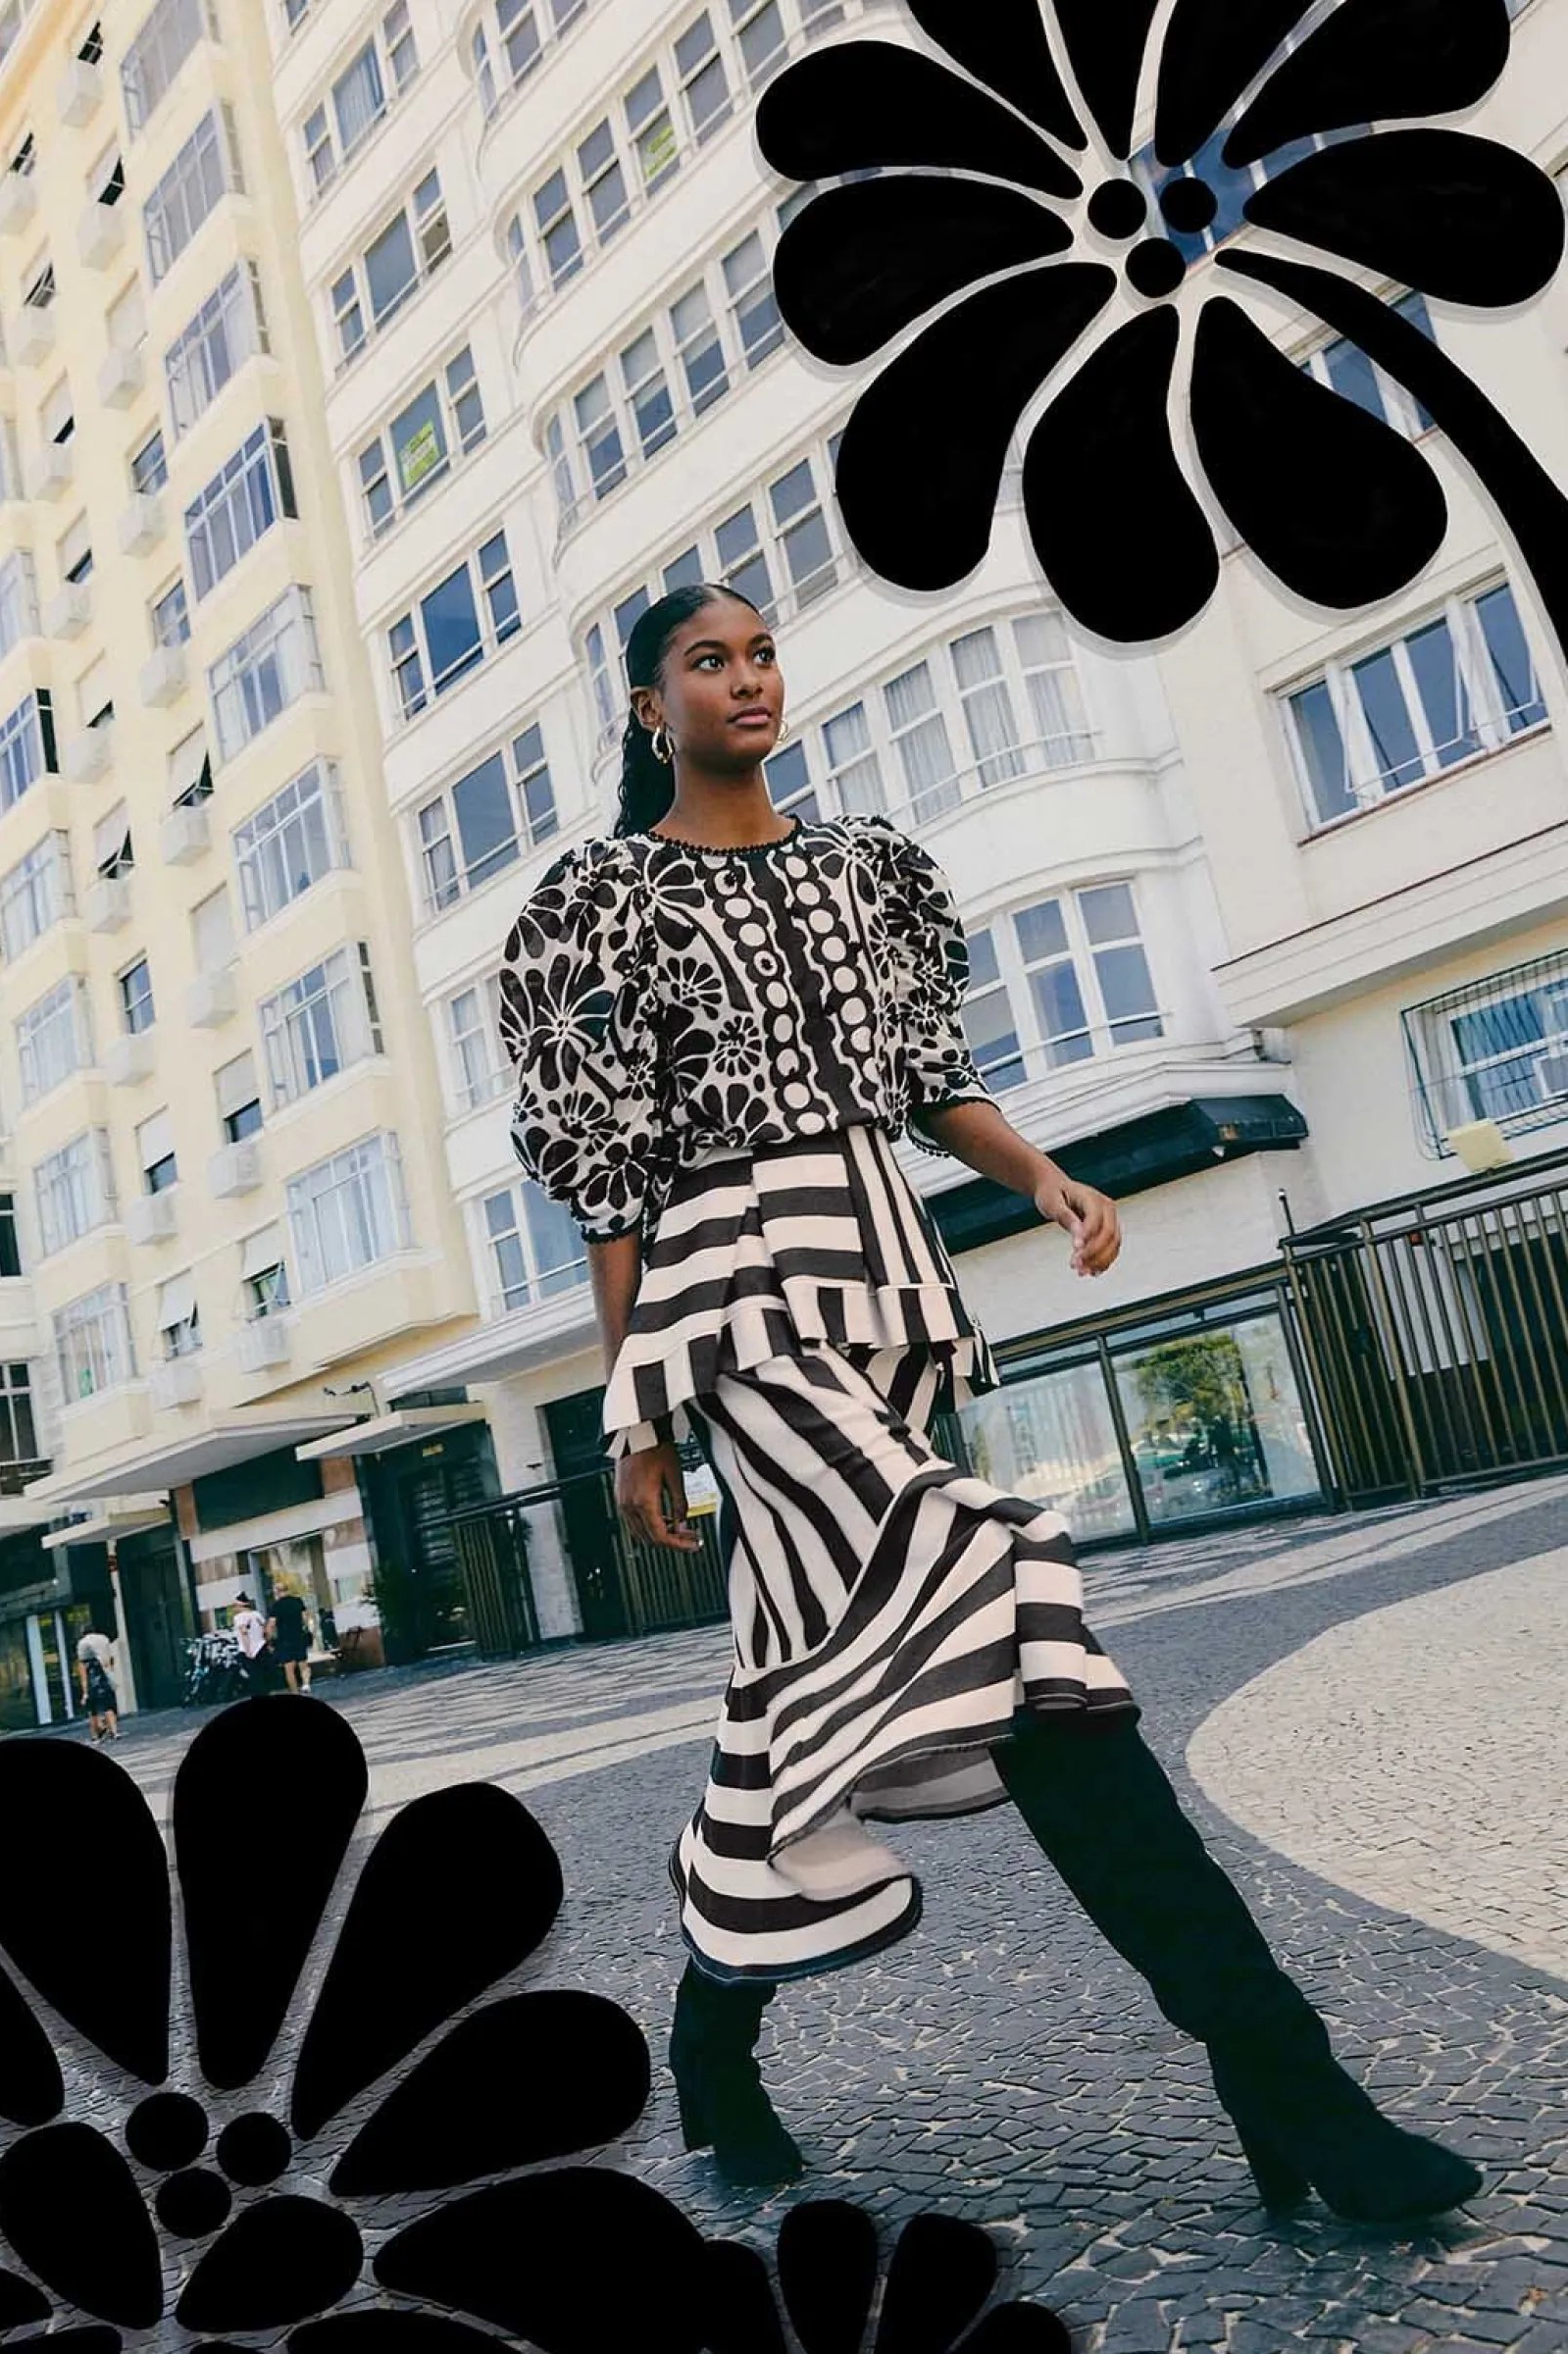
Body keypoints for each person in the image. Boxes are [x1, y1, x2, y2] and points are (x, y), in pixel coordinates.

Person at [498, 582, 1482, 2226]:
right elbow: (613, 1189)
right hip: (735, 1309)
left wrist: (1043, 1177)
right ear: (643, 708)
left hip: (886, 1285)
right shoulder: (593, 903)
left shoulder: (872, 869)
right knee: (1010, 1608)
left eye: (757, 654)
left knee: (794, 1687)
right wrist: (636, 1416)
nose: (746, 680)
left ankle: (711, 2046)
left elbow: (926, 1080)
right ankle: (1285, 2078)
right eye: (706, 662)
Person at [76, 1624, 119, 1742]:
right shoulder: (104, 1639)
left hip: (93, 1678)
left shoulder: (83, 1644)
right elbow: (110, 1659)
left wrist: (84, 1692)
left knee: (92, 1709)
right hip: (105, 1675)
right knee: (109, 1706)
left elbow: (82, 1667)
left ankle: (96, 1734)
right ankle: (114, 1731)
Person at [266, 1589, 313, 1694]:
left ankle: (295, 1692)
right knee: (303, 1663)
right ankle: (306, 1684)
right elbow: (305, 1617)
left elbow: (272, 1624)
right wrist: (306, 1629)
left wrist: (269, 1639)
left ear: (277, 1593)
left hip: (284, 1640)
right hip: (299, 1636)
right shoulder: (297, 1601)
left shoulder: (276, 1605)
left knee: (289, 1668)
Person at [231, 1592, 270, 1691]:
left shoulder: (239, 1617)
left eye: (235, 1605)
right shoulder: (257, 1614)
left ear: (241, 1605)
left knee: (254, 1678)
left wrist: (248, 1651)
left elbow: (244, 1633)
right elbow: (265, 1629)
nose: (234, 1608)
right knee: (264, 1677)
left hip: (248, 1651)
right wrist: (266, 1641)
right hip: (261, 1647)